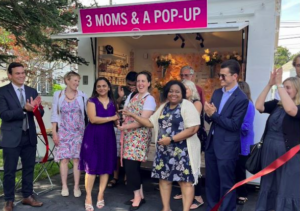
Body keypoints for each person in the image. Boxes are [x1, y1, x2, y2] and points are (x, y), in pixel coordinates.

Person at [123, 80, 201, 211]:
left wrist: (171, 139)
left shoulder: (187, 105)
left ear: (182, 93)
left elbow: (193, 128)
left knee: (185, 182)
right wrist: (133, 115)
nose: (173, 94)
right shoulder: (163, 106)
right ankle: (166, 208)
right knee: (164, 181)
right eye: (170, 91)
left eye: (177, 91)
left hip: (183, 152)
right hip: (164, 151)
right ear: (166, 93)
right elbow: (149, 123)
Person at [204, 60, 248, 211]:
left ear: (234, 76)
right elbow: (209, 118)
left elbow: (234, 125)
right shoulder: (217, 93)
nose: (220, 78)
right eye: (219, 75)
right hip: (212, 144)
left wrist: (214, 115)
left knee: (226, 183)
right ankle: (212, 208)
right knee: (211, 181)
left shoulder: (242, 99)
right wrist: (208, 114)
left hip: (227, 146)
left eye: (223, 76)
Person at [0, 62, 44, 211]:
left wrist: (38, 108)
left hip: (29, 136)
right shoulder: (3, 92)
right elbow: (4, 115)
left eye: (23, 72)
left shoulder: (31, 90)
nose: (21, 76)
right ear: (10, 75)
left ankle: (27, 196)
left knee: (29, 168)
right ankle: (9, 200)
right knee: (10, 170)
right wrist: (23, 109)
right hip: (11, 137)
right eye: (17, 73)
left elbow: (39, 113)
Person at [255, 69, 300, 211]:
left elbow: (291, 110)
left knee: (286, 186)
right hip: (269, 150)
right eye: (283, 87)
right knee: (268, 184)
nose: (284, 90)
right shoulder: (276, 104)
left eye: (288, 88)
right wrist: (270, 84)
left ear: (297, 90)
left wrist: (279, 85)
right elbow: (259, 106)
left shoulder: (295, 107)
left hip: (288, 154)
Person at [117, 71, 156, 211]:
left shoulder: (149, 99)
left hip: (139, 137)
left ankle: (137, 197)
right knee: (132, 168)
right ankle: (140, 195)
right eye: (138, 81)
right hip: (129, 136)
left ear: (148, 83)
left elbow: (143, 121)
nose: (140, 84)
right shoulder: (133, 96)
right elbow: (125, 111)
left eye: (143, 81)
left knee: (131, 168)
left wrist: (125, 126)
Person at [79, 77, 119, 211]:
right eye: (98, 86)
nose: (101, 88)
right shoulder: (92, 101)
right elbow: (93, 119)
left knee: (106, 165)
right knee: (91, 167)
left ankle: (101, 194)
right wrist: (112, 118)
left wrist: (118, 121)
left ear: (109, 87)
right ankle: (89, 196)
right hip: (93, 136)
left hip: (108, 137)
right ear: (95, 89)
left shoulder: (113, 102)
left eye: (104, 86)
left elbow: (116, 121)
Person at [51, 71, 87, 197]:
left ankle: (76, 186)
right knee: (64, 159)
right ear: (67, 80)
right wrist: (54, 133)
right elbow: (55, 115)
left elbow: (87, 114)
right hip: (64, 131)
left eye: (78, 81)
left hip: (78, 131)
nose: (77, 83)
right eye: (75, 80)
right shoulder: (58, 94)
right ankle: (64, 186)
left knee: (77, 159)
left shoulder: (82, 95)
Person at [173, 79, 204, 209]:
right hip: (179, 140)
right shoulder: (179, 103)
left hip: (192, 139)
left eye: (186, 89)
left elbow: (191, 122)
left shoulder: (196, 103)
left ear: (192, 91)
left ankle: (198, 197)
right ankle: (186, 193)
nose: (184, 91)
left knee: (192, 169)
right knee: (181, 169)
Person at [108, 71, 137, 188]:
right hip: (118, 125)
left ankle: (127, 177)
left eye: (133, 84)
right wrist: (120, 97)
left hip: (132, 126)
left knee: (127, 153)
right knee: (116, 152)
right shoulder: (120, 90)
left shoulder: (140, 93)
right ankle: (115, 177)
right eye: (129, 84)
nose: (130, 86)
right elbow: (113, 107)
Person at [235, 81, 255, 205]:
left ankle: (243, 193)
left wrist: (231, 124)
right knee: (235, 169)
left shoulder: (248, 105)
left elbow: (246, 127)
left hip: (243, 143)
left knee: (240, 170)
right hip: (236, 143)